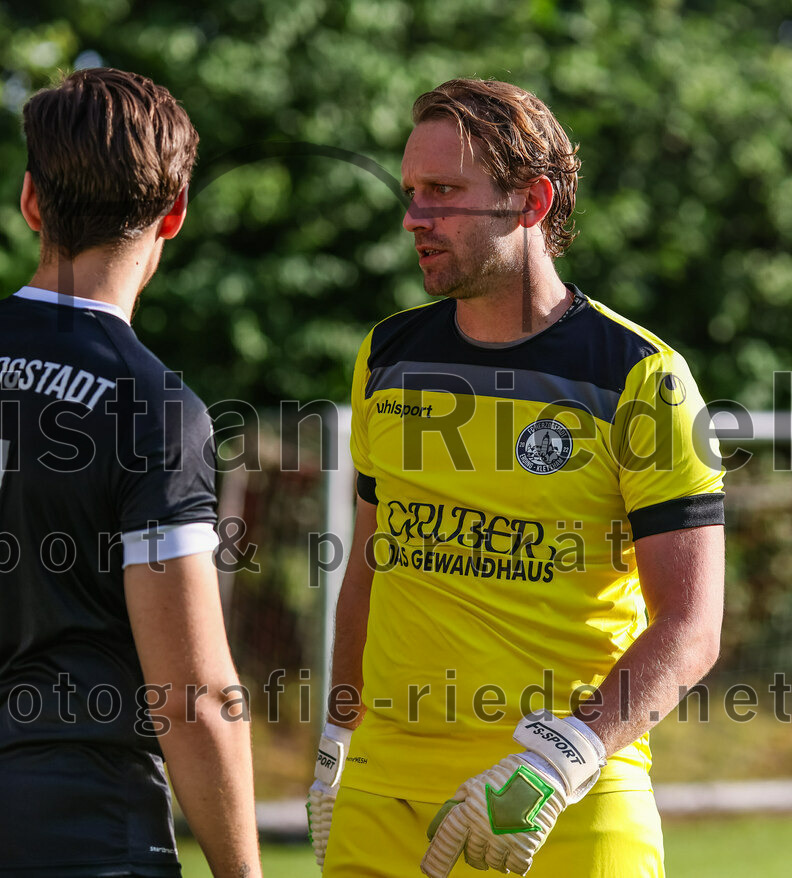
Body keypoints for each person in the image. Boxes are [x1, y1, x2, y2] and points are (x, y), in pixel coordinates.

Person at [307, 79, 725, 877]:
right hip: (381, 801)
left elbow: (692, 627)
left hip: (564, 801)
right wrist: (337, 741)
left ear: (531, 201)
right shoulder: (387, 355)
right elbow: (369, 564)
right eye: (410, 193)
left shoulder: (643, 377)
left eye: (442, 193)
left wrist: (560, 759)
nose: (413, 218)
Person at [0, 68, 262, 878]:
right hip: (86, 843)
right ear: (174, 214)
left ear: (30, 201)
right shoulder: (151, 403)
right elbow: (193, 697)